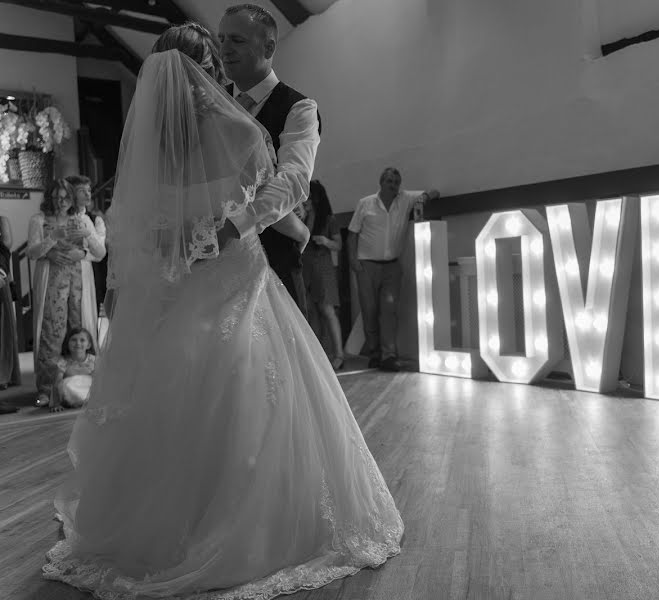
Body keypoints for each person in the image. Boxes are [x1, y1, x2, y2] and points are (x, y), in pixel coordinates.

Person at [42, 23, 403, 599]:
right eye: (221, 49)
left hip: (177, 290)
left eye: (237, 41)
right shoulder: (242, 132)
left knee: (176, 402)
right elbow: (271, 193)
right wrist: (300, 229)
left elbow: (148, 231)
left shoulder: (151, 148)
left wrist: (183, 247)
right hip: (239, 281)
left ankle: (163, 525)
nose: (227, 57)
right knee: (253, 397)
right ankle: (253, 526)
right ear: (206, 72)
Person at [218, 3, 322, 315]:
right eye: (221, 39)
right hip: (215, 268)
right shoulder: (212, 101)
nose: (224, 50)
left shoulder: (298, 108)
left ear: (269, 46)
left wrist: (234, 227)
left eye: (236, 41)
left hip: (273, 261)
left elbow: (292, 180)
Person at [347, 168, 439, 371]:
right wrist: (353, 261)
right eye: (389, 181)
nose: (393, 184)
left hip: (392, 267)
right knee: (369, 311)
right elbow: (352, 234)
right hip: (367, 266)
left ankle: (389, 356)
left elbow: (434, 191)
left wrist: (424, 197)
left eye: (396, 181)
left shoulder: (405, 199)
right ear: (381, 182)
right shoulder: (366, 203)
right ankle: (374, 354)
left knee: (389, 311)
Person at [25, 179, 104, 407]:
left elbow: (99, 253)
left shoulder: (82, 219)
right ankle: (48, 388)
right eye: (57, 197)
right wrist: (52, 240)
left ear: (71, 199)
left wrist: (85, 250)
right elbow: (32, 252)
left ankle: (83, 384)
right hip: (52, 282)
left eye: (66, 197)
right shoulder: (39, 220)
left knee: (79, 329)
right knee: (51, 332)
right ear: (50, 197)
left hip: (79, 281)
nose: (62, 202)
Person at [302, 180, 344, 370]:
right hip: (305, 267)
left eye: (309, 196)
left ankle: (339, 355)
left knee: (327, 310)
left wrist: (325, 241)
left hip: (323, 267)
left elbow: (338, 245)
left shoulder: (328, 219)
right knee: (310, 312)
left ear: (316, 197)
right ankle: (318, 356)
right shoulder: (302, 217)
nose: (306, 199)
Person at [66, 175, 108, 313]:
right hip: (64, 274)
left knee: (87, 315)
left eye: (88, 190)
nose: (87, 194)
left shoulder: (95, 220)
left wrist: (84, 253)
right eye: (81, 190)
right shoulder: (61, 217)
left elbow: (100, 254)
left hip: (88, 275)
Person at [48, 327, 96, 412]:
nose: (77, 343)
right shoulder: (63, 362)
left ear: (89, 345)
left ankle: (90, 400)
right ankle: (82, 401)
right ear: (67, 344)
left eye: (82, 340)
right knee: (67, 384)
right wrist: (56, 404)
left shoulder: (94, 361)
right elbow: (56, 384)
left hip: (89, 392)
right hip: (70, 394)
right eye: (73, 340)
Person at [0, 214, 21, 391]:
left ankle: (3, 375)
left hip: (1, 278)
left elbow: (5, 246)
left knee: (3, 328)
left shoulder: (2, 220)